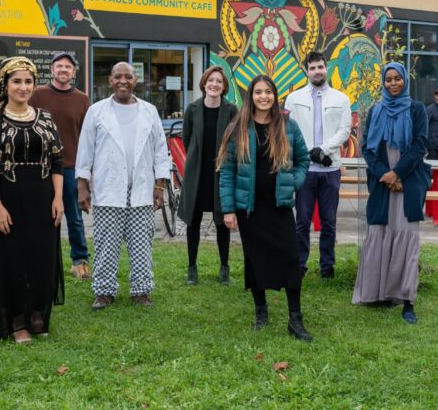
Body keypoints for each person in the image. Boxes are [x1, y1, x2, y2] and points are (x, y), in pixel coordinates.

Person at [0, 57, 65, 342]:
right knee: (11, 260)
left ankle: (38, 314)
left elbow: (57, 160)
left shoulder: (45, 118)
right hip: (7, 200)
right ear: (5, 85)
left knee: (42, 257)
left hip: (43, 200)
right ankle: (16, 322)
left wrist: (59, 198)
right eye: (17, 81)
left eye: (28, 81)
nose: (23, 87)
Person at [218, 75, 312, 340]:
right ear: (251, 96)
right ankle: (261, 311)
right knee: (255, 259)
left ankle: (295, 319)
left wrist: (295, 181)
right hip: (250, 209)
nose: (263, 97)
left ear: (274, 95)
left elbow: (303, 159)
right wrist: (228, 209)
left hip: (279, 206)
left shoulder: (288, 126)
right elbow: (226, 171)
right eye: (258, 92)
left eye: (268, 92)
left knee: (291, 258)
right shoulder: (238, 127)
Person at [76, 62, 169, 310]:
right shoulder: (97, 111)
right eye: (118, 76)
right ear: (110, 80)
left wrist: (159, 186)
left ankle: (141, 290)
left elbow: (161, 151)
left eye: (128, 76)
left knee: (141, 244)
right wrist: (82, 187)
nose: (123, 81)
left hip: (142, 190)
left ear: (135, 80)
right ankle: (104, 292)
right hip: (108, 190)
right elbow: (85, 150)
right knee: (107, 243)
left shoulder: (149, 111)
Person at [352, 62, 430, 324]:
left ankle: (407, 301)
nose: (393, 83)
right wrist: (386, 175)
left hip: (408, 180)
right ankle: (378, 293)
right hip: (382, 181)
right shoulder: (375, 111)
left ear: (405, 80)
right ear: (383, 82)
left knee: (406, 236)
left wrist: (398, 174)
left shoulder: (417, 109)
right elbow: (368, 149)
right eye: (389, 79)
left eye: (398, 78)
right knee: (380, 233)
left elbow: (420, 145)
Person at [285, 51, 351, 279]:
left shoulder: (341, 99)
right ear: (306, 70)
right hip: (305, 170)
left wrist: (322, 149)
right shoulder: (293, 99)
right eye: (312, 68)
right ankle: (299, 265)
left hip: (330, 169)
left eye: (320, 67)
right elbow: (289, 131)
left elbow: (344, 130)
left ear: (327, 68)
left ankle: (327, 268)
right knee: (302, 221)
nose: (317, 71)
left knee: (329, 222)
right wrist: (307, 152)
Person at [30, 52, 92, 281]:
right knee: (44, 216)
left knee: (74, 216)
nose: (63, 70)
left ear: (74, 72)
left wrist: (88, 172)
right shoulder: (37, 95)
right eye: (59, 66)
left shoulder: (83, 99)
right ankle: (46, 260)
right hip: (42, 166)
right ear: (52, 70)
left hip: (71, 166)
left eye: (68, 67)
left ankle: (80, 261)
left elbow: (89, 136)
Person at [179, 66, 237, 285]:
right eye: (211, 80)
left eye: (219, 82)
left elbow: (235, 140)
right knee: (193, 221)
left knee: (222, 221)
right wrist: (196, 158)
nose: (214, 84)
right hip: (197, 174)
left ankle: (224, 268)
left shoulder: (231, 110)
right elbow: (187, 138)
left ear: (224, 87)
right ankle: (192, 268)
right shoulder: (192, 109)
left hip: (221, 173)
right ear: (204, 84)